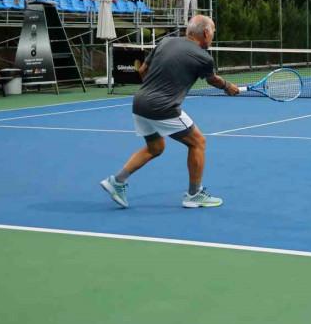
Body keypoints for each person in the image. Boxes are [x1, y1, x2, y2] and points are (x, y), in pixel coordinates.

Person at [100, 15, 240, 209]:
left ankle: (117, 181)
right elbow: (212, 80)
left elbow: (142, 70)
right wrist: (228, 86)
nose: (213, 36)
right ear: (206, 32)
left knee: (155, 147)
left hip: (139, 103)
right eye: (213, 31)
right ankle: (194, 194)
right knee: (198, 142)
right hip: (163, 107)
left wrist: (153, 91)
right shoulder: (204, 58)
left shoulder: (165, 42)